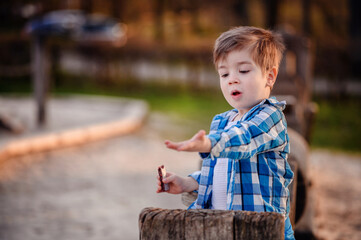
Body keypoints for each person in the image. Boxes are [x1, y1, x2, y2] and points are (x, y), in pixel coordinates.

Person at [156, 26, 295, 240]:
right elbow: (222, 172)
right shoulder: (222, 121)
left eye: (244, 70)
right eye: (224, 73)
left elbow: (244, 139)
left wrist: (208, 144)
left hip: (261, 231)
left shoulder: (270, 116)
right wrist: (189, 182)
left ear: (270, 76)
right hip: (221, 227)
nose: (232, 79)